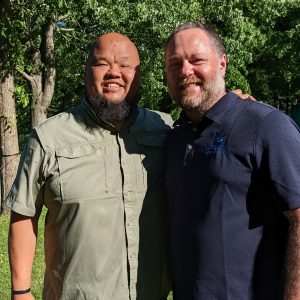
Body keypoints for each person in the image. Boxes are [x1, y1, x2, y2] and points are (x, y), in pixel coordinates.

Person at [6, 32, 173, 300]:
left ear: (139, 74)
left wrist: (234, 104)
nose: (114, 73)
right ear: (86, 72)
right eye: (102, 64)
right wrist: (21, 291)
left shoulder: (165, 130)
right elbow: (24, 213)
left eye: (125, 64)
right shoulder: (49, 138)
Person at [164, 20, 300, 300]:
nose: (186, 71)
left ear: (222, 64)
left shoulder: (265, 125)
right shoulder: (173, 138)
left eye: (196, 60)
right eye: (175, 64)